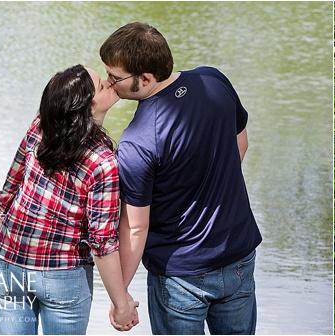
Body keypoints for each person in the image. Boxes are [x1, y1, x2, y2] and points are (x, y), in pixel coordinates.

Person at [100, 22, 262, 334]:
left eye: (115, 77)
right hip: (239, 256)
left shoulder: (138, 141)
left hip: (179, 277)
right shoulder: (213, 80)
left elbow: (135, 227)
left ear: (145, 78)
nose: (109, 84)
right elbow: (241, 143)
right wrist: (211, 187)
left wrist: (120, 297)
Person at [0, 64, 139, 335]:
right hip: (61, 274)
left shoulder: (40, 127)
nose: (110, 83)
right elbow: (102, 243)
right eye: (102, 85)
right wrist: (121, 302)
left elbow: (8, 192)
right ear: (86, 108)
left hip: (6, 262)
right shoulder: (102, 164)